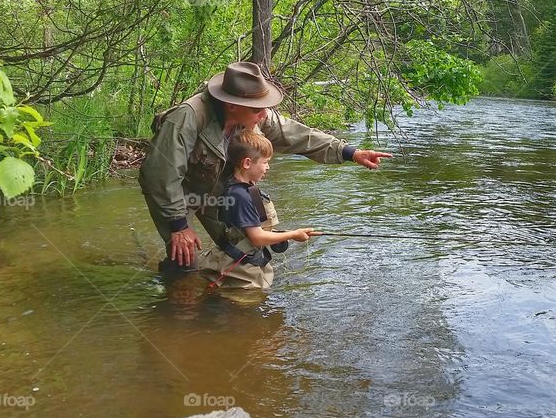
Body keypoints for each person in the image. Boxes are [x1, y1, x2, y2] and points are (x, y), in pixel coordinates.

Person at [139, 61, 392, 273]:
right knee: (186, 262)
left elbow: (298, 136)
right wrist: (178, 226)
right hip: (176, 193)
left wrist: (350, 153)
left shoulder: (254, 112)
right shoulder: (188, 117)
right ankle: (175, 298)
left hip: (216, 189)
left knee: (244, 250)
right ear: (232, 105)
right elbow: (160, 175)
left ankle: (222, 299)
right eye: (259, 110)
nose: (265, 114)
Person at [197, 129, 315, 289]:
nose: (268, 167)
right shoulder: (241, 196)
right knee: (247, 301)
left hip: (243, 257)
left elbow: (248, 230)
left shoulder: (245, 188)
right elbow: (257, 238)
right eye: (265, 162)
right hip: (238, 267)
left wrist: (282, 235)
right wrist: (294, 234)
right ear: (247, 163)